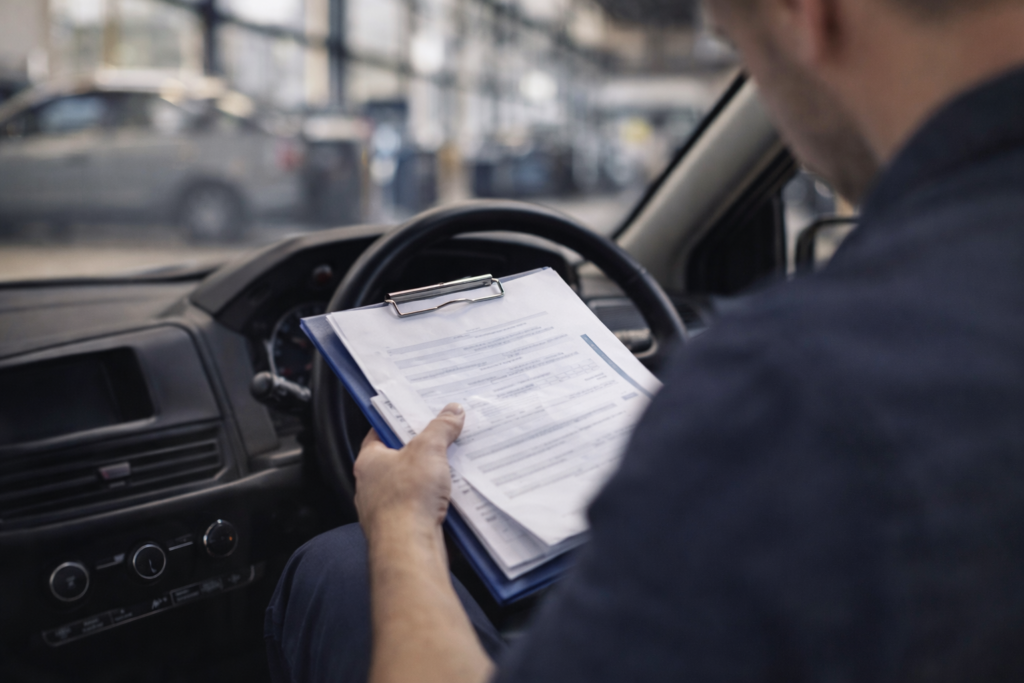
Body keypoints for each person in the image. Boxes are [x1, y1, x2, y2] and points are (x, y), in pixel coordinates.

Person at [265, 0, 1024, 681]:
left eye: (738, 48)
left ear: (808, 15)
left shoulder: (796, 385)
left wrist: (399, 521)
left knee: (340, 566)